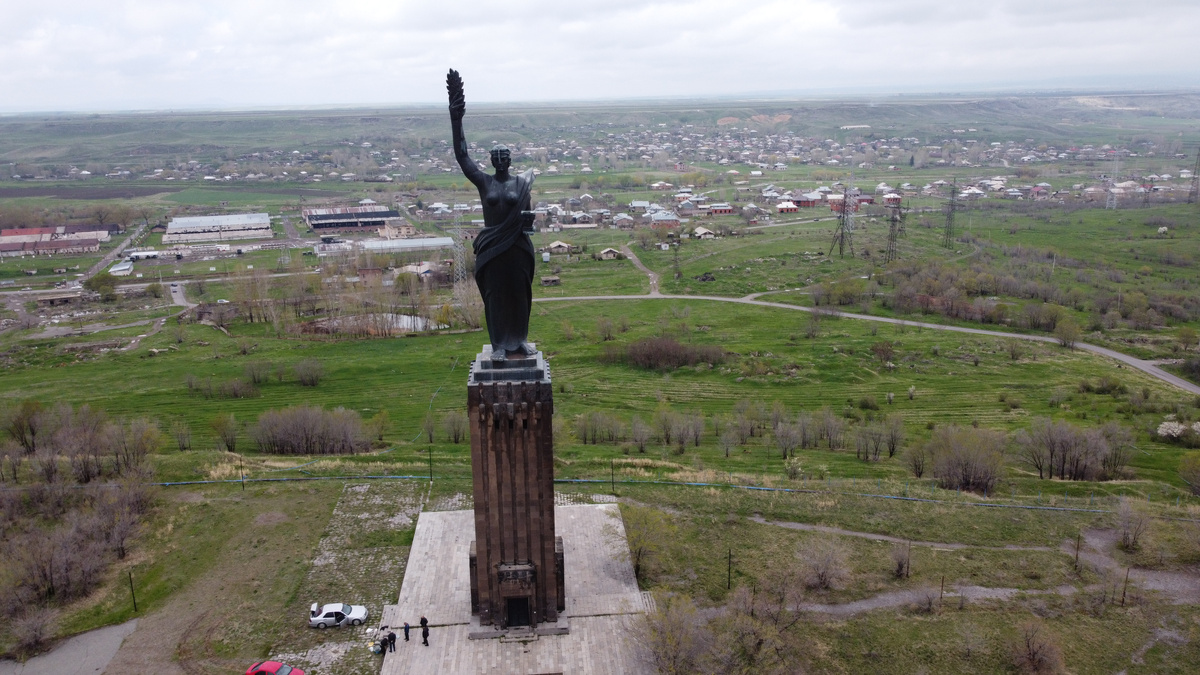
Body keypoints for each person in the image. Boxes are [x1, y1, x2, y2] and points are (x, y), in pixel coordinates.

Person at [447, 69, 537, 361]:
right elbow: (462, 156)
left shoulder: (521, 183)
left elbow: (529, 214)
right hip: (493, 250)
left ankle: (519, 340)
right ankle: (499, 345)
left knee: (519, 294)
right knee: (495, 296)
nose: (499, 161)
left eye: (504, 157)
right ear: (491, 160)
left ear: (510, 160)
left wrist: (528, 221)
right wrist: (456, 119)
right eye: (495, 157)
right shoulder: (484, 182)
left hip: (518, 247)